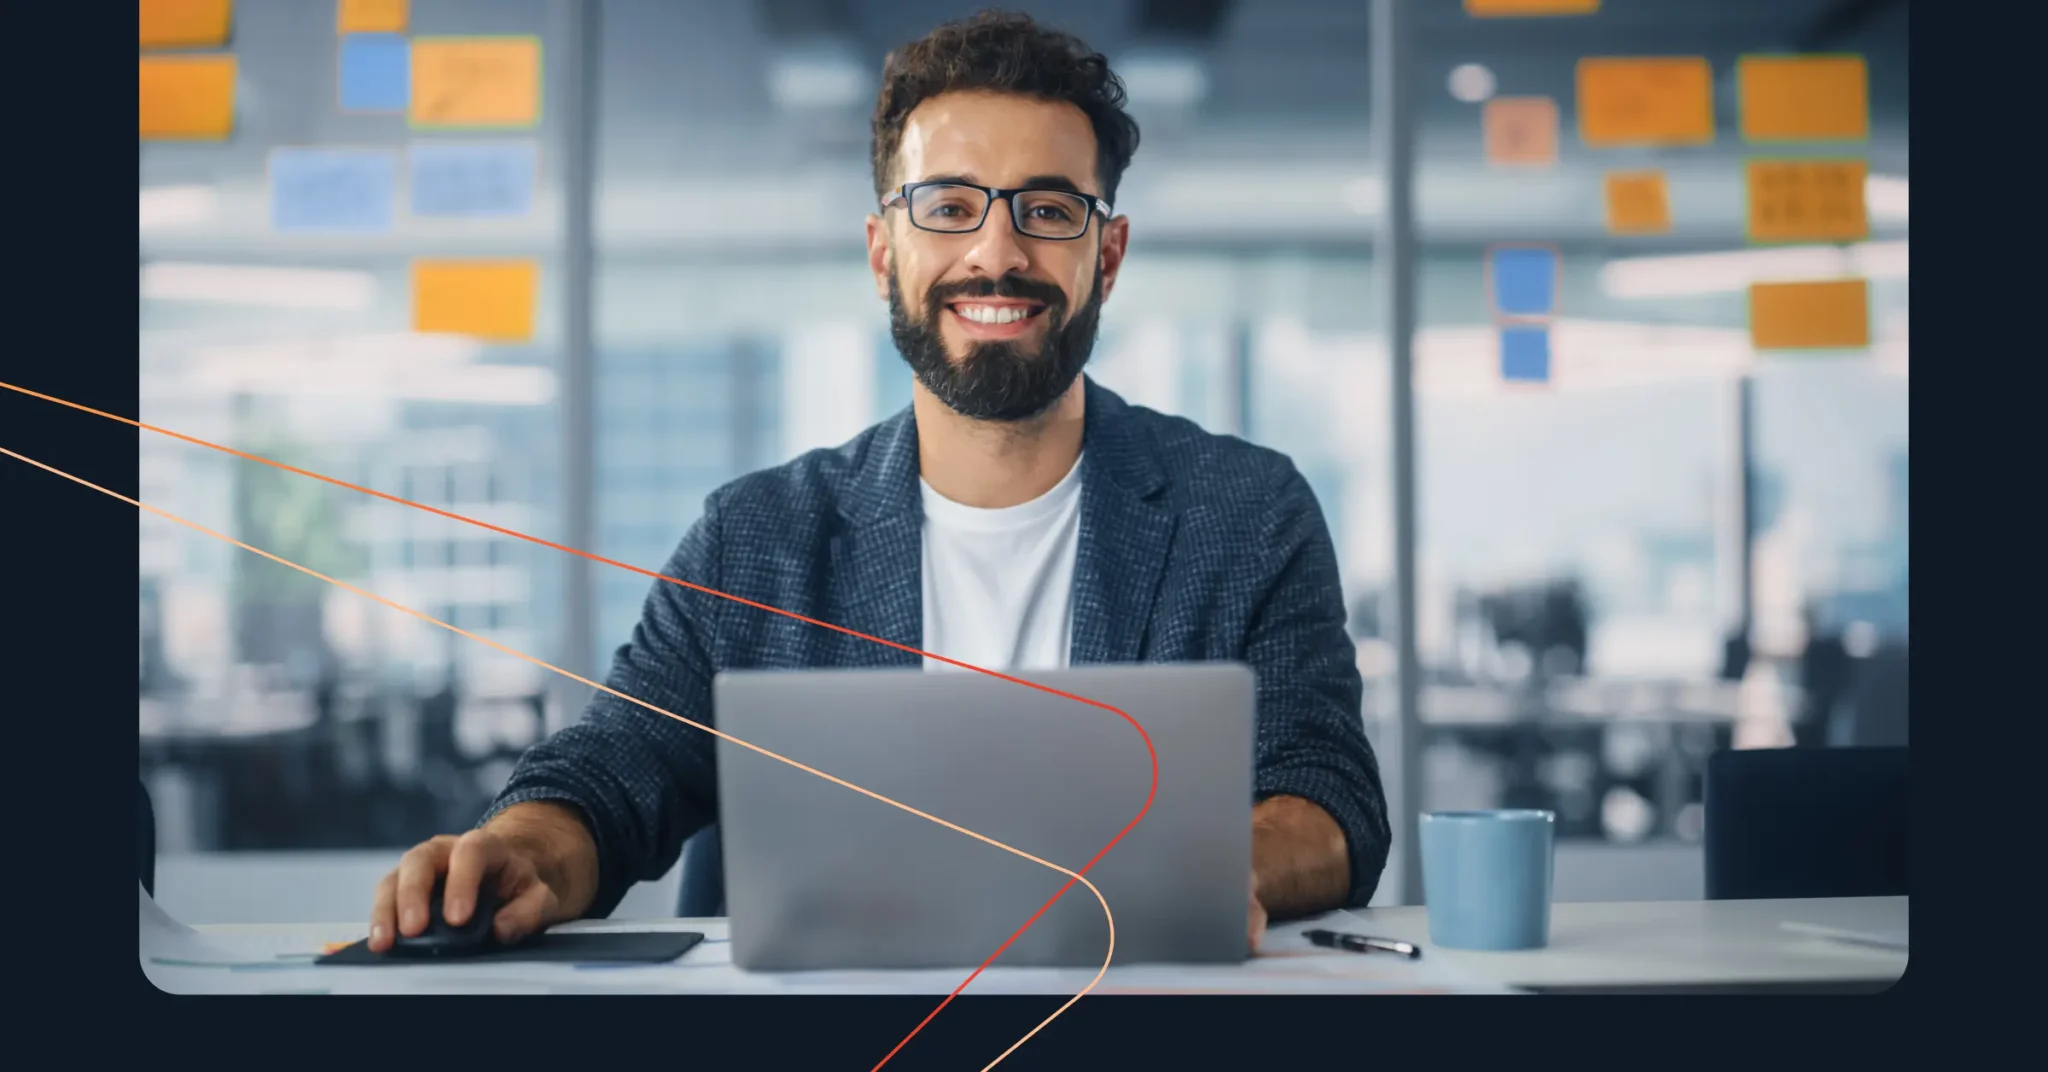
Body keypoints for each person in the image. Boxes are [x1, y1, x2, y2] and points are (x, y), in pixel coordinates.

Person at [368, 9, 1390, 957]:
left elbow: (1327, 792)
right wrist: (522, 850)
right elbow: (613, 768)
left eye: (1045, 208)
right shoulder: (756, 536)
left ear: (1106, 256)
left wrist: (1209, 870)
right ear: (881, 250)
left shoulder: (1245, 511)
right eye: (947, 207)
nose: (996, 252)